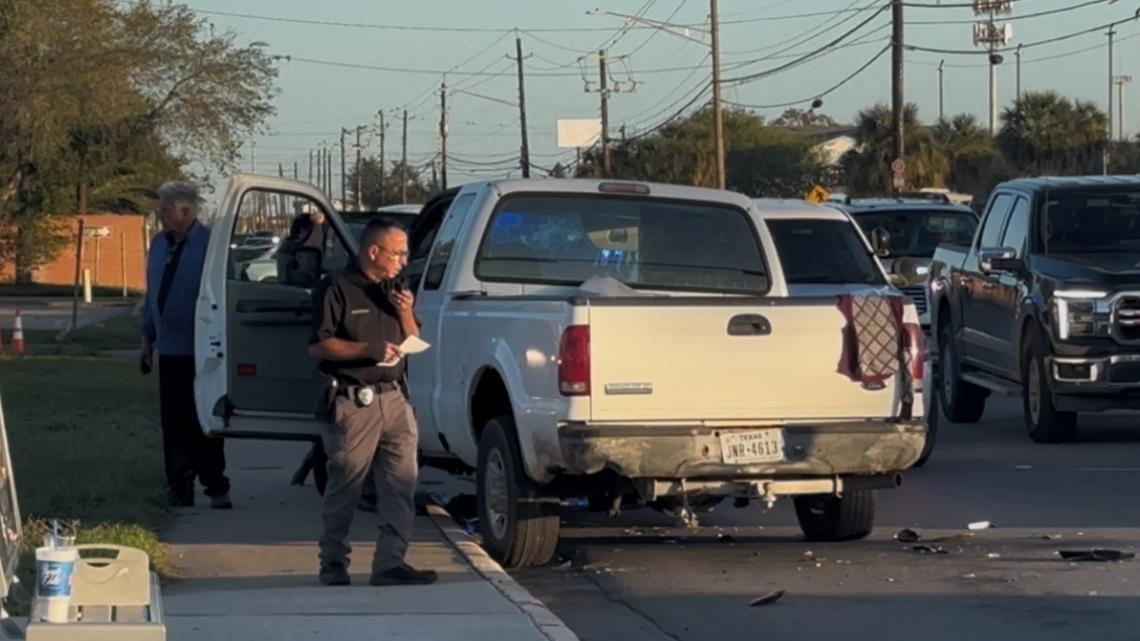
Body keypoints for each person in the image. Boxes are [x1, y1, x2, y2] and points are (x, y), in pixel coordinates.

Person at [307, 218, 436, 586]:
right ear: (373, 251)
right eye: (396, 253)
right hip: (353, 400)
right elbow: (318, 346)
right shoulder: (336, 288)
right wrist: (368, 349)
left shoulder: (396, 289)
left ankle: (390, 563)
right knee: (346, 483)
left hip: (394, 397)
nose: (402, 261)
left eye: (406, 254)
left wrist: (406, 312)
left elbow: (415, 335)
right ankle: (333, 563)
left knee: (400, 484)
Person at [140, 181, 232, 510]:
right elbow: (152, 294)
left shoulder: (209, 245)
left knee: (203, 421)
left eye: (166, 210)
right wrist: (147, 338)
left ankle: (216, 485)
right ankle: (178, 487)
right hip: (170, 350)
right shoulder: (159, 245)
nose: (162, 216)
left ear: (186, 211)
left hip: (203, 351)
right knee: (174, 422)